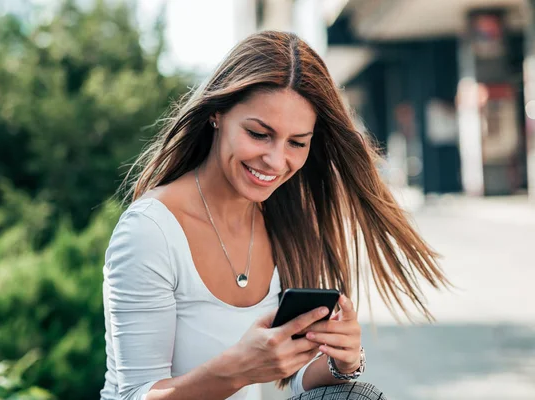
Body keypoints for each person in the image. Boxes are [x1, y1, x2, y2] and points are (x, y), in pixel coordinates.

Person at [100, 31, 449, 400]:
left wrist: (341, 361)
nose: (276, 161)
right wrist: (237, 369)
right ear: (217, 114)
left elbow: (293, 380)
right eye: (259, 133)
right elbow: (133, 395)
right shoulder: (151, 231)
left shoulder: (283, 219)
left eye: (296, 142)